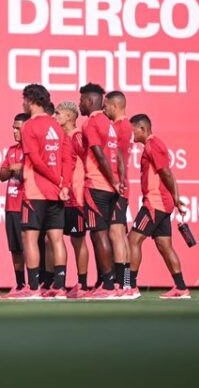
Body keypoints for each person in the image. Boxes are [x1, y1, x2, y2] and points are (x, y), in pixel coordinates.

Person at [9, 84, 72, 300]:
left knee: (29, 238)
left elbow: (35, 160)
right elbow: (66, 158)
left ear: (31, 100)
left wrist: (57, 180)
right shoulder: (56, 126)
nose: (23, 103)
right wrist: (64, 184)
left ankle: (34, 288)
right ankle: (60, 287)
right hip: (57, 192)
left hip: (36, 191)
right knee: (56, 238)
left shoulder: (29, 126)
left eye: (24, 99)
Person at [128, 115, 191, 299]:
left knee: (132, 240)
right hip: (162, 203)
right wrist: (175, 198)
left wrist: (176, 197)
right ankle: (181, 288)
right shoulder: (152, 145)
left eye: (133, 129)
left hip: (155, 204)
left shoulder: (152, 145)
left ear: (142, 128)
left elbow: (166, 173)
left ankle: (130, 286)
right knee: (164, 245)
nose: (131, 133)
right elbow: (167, 173)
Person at [79, 83, 122, 298]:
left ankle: (108, 285)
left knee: (99, 234)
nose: (79, 104)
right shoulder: (109, 123)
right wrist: (119, 181)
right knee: (100, 235)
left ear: (89, 101)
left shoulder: (91, 122)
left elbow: (98, 153)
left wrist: (113, 181)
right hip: (110, 187)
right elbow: (119, 155)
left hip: (97, 185)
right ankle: (105, 282)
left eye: (81, 101)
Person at [54, 101, 90, 299]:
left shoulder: (77, 137)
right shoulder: (60, 138)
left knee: (78, 241)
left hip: (76, 199)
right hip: (61, 198)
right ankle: (57, 283)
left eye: (58, 113)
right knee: (55, 240)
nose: (55, 116)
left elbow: (90, 163)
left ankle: (82, 284)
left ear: (69, 116)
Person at [104, 90, 132, 292]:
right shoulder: (125, 126)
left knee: (116, 233)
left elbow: (118, 158)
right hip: (120, 185)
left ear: (114, 106)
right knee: (120, 233)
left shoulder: (119, 127)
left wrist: (117, 182)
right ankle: (128, 282)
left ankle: (121, 283)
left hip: (117, 186)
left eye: (106, 105)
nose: (104, 109)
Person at [0, 113, 29, 298]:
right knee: (15, 248)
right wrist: (13, 168)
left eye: (18, 128)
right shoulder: (12, 150)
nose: (14, 131)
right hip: (11, 206)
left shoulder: (32, 150)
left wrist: (20, 168)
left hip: (25, 205)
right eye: (13, 127)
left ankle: (35, 283)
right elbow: (2, 175)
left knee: (29, 246)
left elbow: (30, 173)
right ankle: (20, 284)